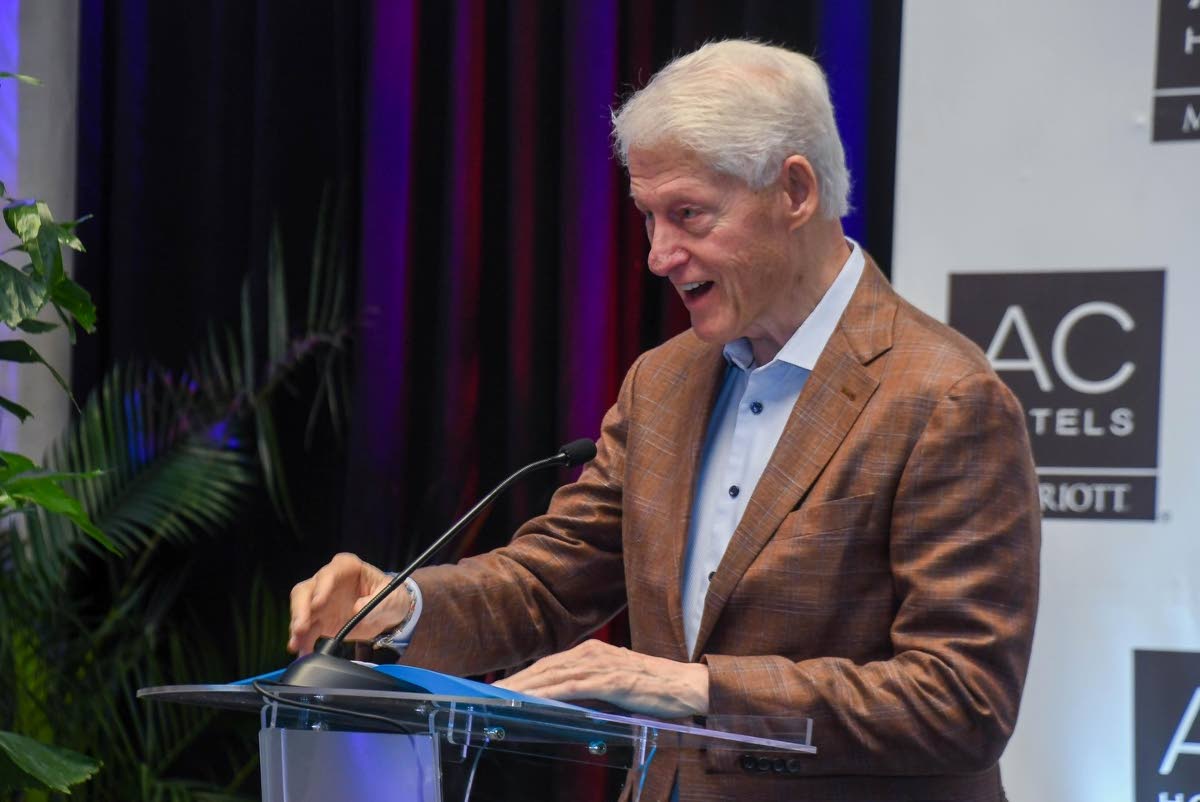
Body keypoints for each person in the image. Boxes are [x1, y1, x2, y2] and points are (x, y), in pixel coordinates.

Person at [288, 39, 1040, 801]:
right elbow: (550, 584)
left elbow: (962, 700)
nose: (657, 254)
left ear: (796, 192)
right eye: (648, 217)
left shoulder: (944, 398)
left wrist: (698, 688)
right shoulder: (664, 380)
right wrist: (399, 605)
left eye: (689, 215)